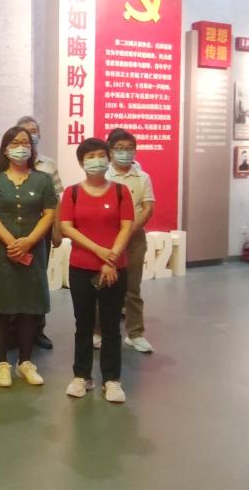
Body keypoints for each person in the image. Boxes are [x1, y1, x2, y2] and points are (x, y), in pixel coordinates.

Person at [0, 126, 57, 387]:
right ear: (5, 148)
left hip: (33, 251)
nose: (21, 147)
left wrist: (29, 241)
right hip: (2, 252)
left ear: (32, 148)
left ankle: (25, 362)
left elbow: (49, 214)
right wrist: (11, 241)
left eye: (25, 142)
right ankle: (2, 364)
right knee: (2, 309)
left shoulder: (43, 179)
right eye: (14, 142)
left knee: (29, 309)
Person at [59, 138, 134, 403]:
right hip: (81, 268)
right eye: (90, 156)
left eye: (101, 155)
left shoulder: (121, 192)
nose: (96, 160)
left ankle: (112, 380)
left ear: (108, 158)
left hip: (114, 269)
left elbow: (126, 226)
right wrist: (99, 251)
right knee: (84, 324)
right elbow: (67, 227)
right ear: (81, 162)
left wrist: (110, 260)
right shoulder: (72, 193)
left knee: (112, 325)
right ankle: (82, 376)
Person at [97, 128, 156, 354]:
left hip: (134, 238)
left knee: (132, 288)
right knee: (102, 286)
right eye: (120, 149)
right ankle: (98, 331)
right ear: (110, 151)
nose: (125, 153)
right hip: (106, 239)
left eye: (130, 149)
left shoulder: (143, 177)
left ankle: (135, 334)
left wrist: (128, 231)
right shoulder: (102, 176)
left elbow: (148, 208)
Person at [16, 115, 62, 350]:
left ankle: (38, 330)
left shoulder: (49, 165)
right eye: (25, 131)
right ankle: (14, 331)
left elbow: (57, 200)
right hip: (16, 232)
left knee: (38, 281)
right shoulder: (8, 164)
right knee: (16, 281)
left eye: (34, 131)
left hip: (42, 231)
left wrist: (57, 230)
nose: (30, 135)